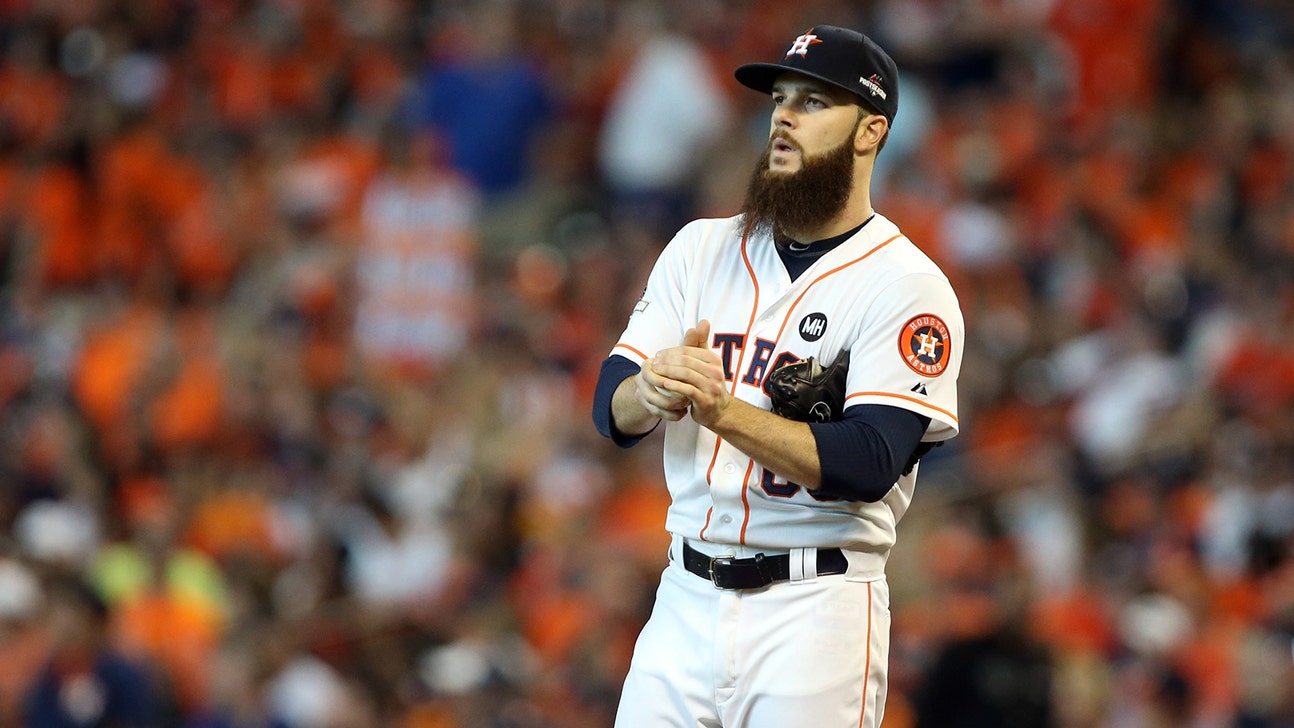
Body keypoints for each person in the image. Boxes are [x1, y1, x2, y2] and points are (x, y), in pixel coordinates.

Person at [592, 24, 964, 727]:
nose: (785, 116)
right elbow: (608, 410)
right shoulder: (699, 249)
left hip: (814, 611)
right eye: (780, 99)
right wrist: (651, 389)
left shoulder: (907, 285)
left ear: (870, 131)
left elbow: (870, 462)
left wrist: (723, 411)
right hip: (684, 596)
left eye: (815, 102)